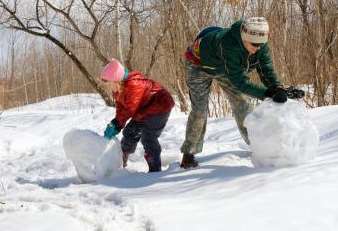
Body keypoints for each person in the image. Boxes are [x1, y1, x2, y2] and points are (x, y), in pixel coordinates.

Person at [181, 17, 288, 169]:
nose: (257, 48)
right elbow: (240, 81)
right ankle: (189, 153)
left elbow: (266, 69)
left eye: (261, 44)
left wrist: (277, 87)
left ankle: (258, 146)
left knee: (243, 104)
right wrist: (266, 93)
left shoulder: (260, 45)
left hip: (225, 69)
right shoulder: (227, 44)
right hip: (199, 66)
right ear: (244, 39)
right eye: (254, 45)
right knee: (200, 110)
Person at [101, 59, 175, 172]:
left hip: (160, 106)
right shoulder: (118, 88)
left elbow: (129, 109)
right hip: (143, 110)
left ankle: (155, 169)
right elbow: (121, 108)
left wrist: (117, 123)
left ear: (116, 80)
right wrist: (115, 122)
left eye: (109, 83)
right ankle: (121, 164)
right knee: (129, 132)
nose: (108, 87)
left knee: (148, 137)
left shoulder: (135, 84)